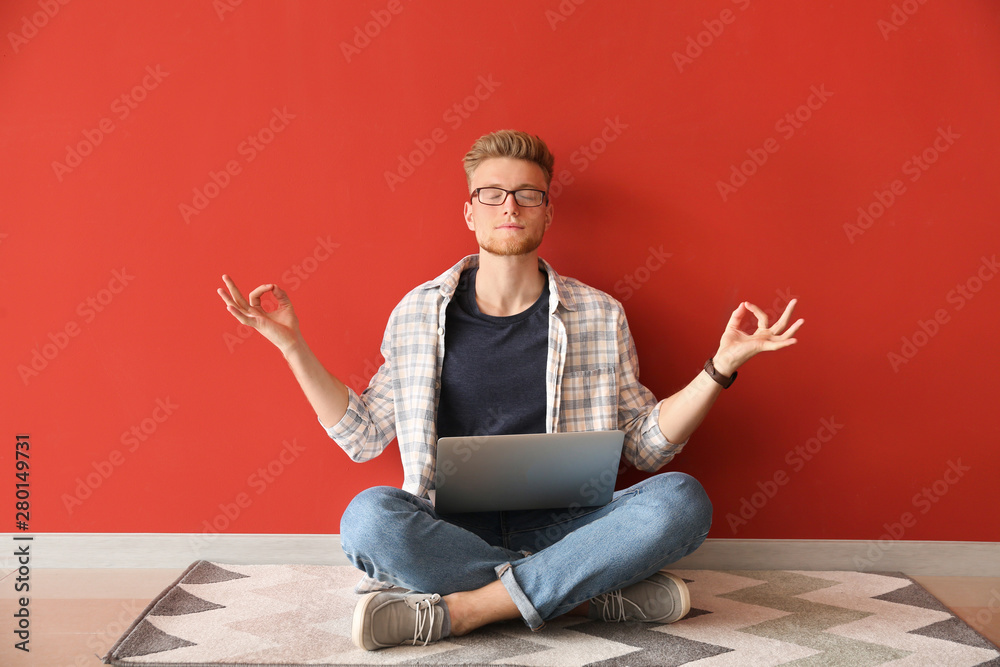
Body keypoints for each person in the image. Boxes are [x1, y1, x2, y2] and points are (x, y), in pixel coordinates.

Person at [218, 129, 803, 651]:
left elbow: (645, 447)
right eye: (492, 193)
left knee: (681, 500)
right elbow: (364, 435)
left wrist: (720, 367)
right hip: (449, 527)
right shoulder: (417, 312)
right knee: (368, 519)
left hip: (573, 523)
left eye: (528, 193)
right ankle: (583, 594)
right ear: (469, 213)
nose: (511, 206)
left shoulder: (600, 314)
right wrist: (293, 346)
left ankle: (468, 609)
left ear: (547, 213)